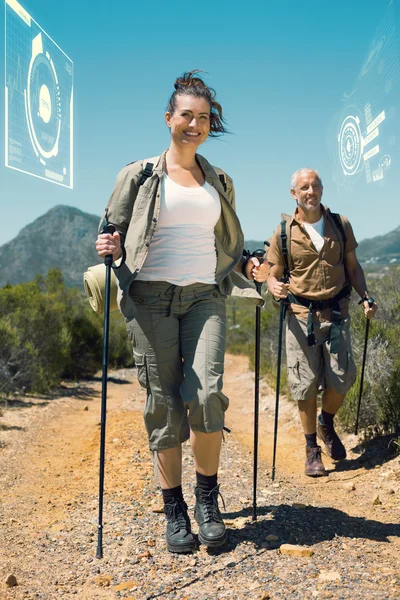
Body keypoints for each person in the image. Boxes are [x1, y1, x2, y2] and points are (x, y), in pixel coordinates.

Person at [95, 71, 265, 553]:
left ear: (210, 124)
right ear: (168, 118)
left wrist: (248, 262)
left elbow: (226, 242)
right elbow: (111, 230)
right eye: (185, 115)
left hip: (204, 298)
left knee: (208, 395)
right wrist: (106, 244)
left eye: (203, 117)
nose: (194, 124)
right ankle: (175, 510)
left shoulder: (220, 180)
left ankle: (207, 498)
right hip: (148, 298)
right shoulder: (138, 174)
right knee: (164, 406)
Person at [266, 168, 377, 477]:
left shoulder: (340, 225)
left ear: (322, 189)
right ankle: (312, 447)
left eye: (315, 185)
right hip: (301, 318)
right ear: (294, 194)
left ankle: (326, 422)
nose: (310, 191)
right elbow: (272, 273)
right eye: (304, 187)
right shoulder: (283, 233)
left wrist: (365, 296)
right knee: (304, 385)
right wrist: (273, 286)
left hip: (338, 313)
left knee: (343, 379)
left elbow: (353, 268)